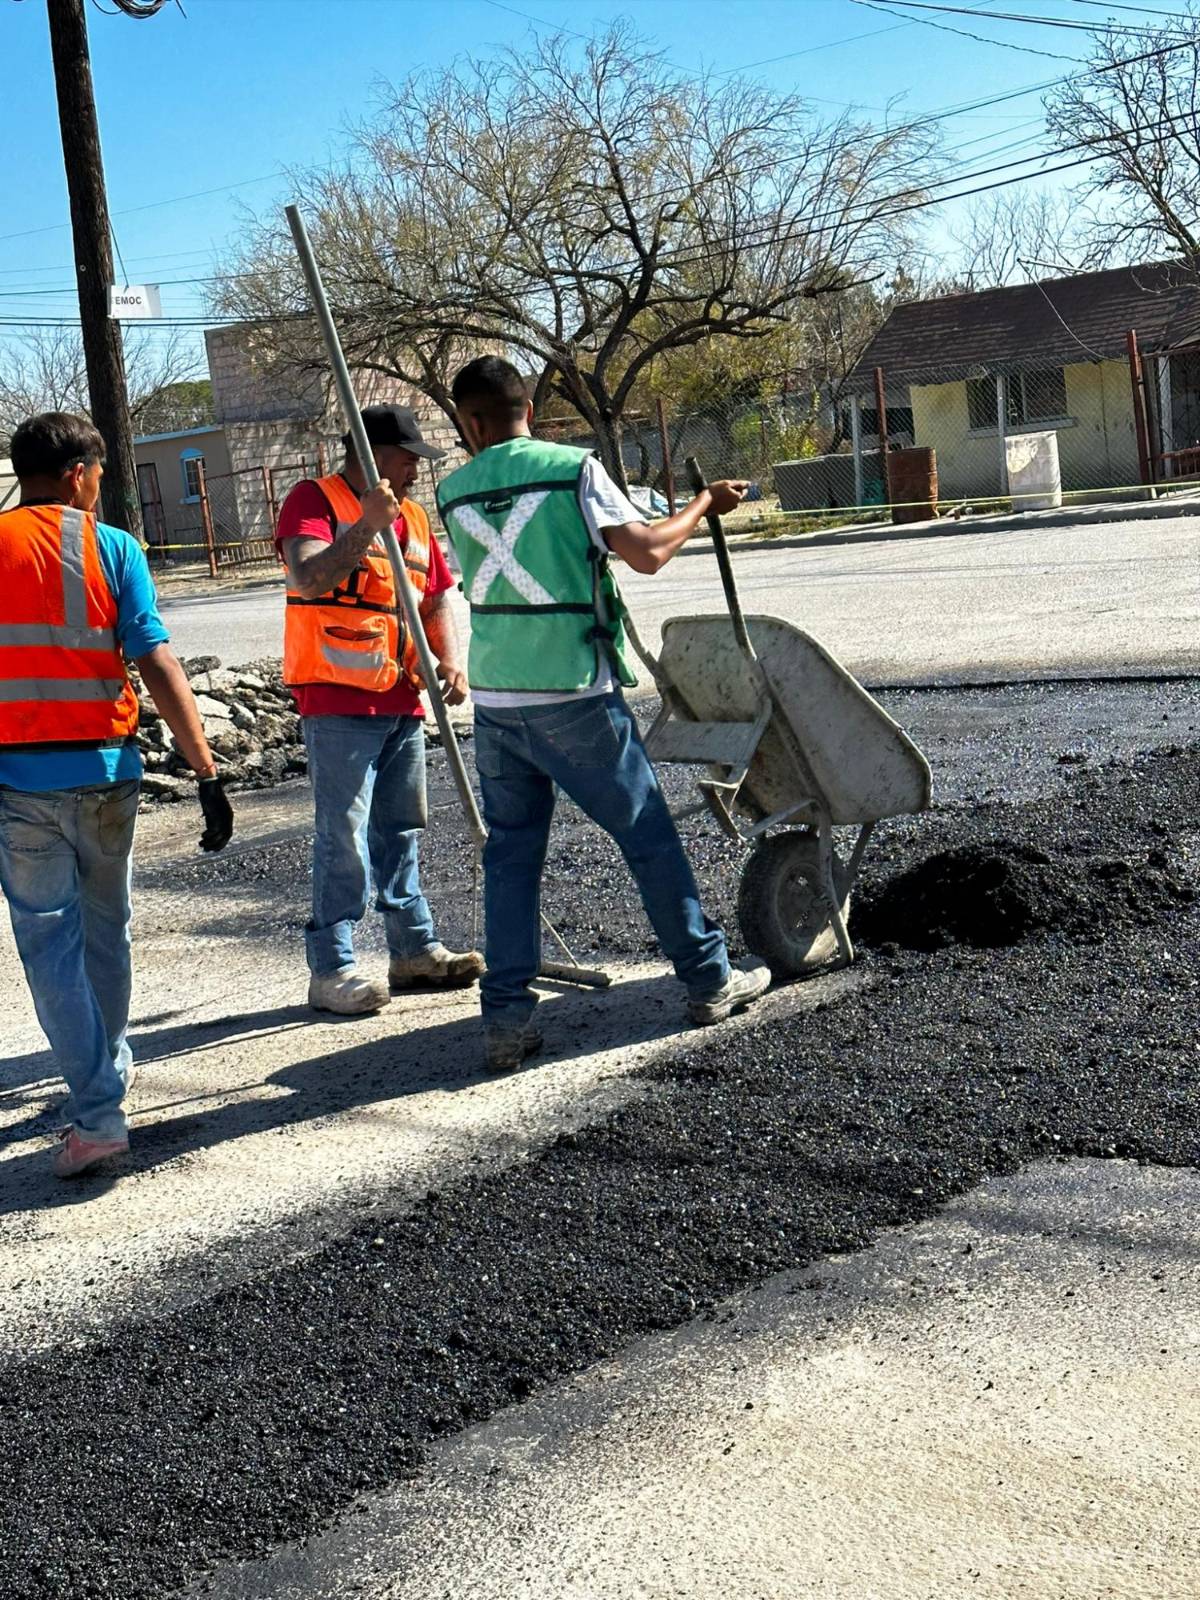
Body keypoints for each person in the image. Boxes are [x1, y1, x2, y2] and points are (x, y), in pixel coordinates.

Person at [435, 356, 772, 1071]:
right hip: (573, 693)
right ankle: (709, 980)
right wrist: (703, 505)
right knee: (647, 835)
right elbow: (646, 553)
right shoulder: (572, 469)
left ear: (470, 422)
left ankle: (505, 1022)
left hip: (497, 702)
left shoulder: (452, 490)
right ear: (528, 409)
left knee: (511, 858)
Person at [0, 412, 234, 1178]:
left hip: (20, 784)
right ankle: (111, 1071)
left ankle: (98, 1112)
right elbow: (157, 662)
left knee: (50, 947)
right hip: (107, 775)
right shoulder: (113, 548)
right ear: (76, 474)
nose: (100, 488)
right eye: (99, 474)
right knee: (109, 932)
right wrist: (205, 771)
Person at [276, 404, 482, 1015]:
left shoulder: (414, 516)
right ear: (371, 455)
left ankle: (413, 950)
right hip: (337, 697)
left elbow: (435, 595)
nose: (416, 469)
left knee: (401, 829)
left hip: (402, 697)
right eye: (407, 457)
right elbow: (308, 577)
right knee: (342, 834)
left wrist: (449, 659)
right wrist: (367, 525)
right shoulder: (313, 500)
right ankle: (332, 967)